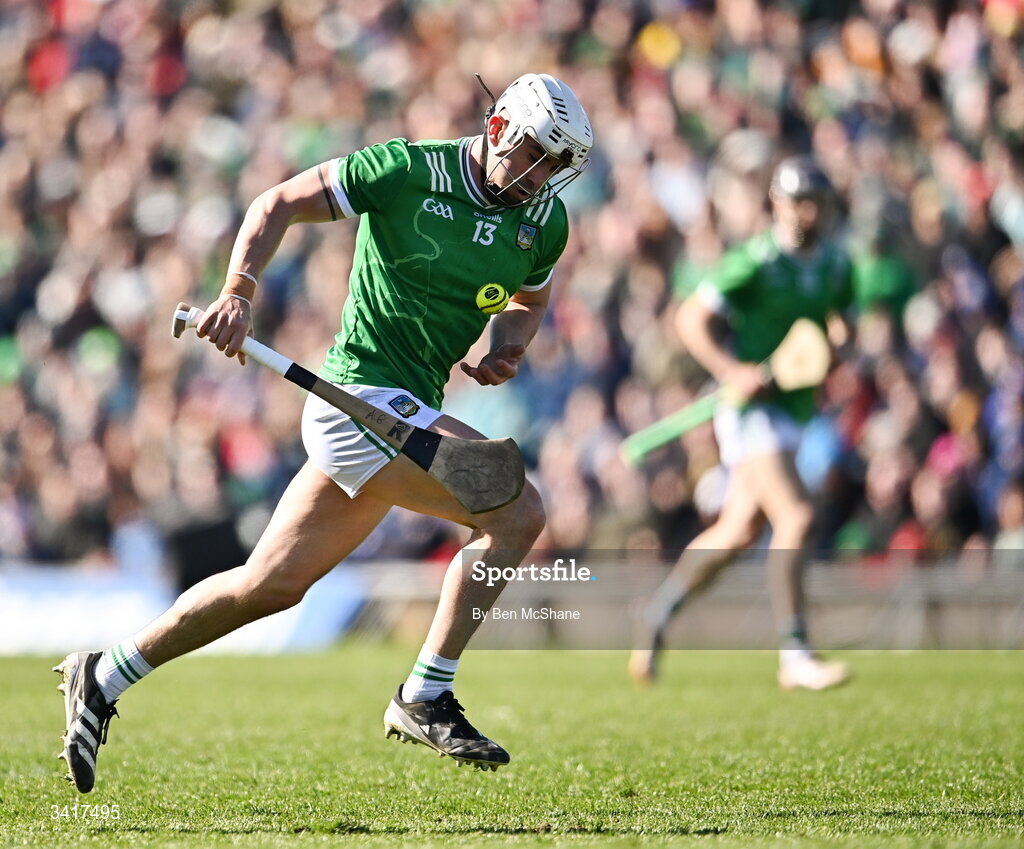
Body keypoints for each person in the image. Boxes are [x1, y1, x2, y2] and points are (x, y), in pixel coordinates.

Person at [53, 73, 593, 792]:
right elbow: (274, 203)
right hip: (356, 401)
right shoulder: (405, 169)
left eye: (558, 164)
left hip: (401, 416)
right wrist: (239, 292)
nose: (542, 176)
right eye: (535, 153)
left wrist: (512, 342)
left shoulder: (543, 221)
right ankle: (425, 692)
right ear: (497, 130)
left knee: (267, 586)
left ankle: (105, 671)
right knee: (518, 509)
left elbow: (532, 291)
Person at [628, 156, 852, 691]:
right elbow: (691, 321)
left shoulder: (837, 264)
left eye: (815, 203)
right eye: (797, 202)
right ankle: (795, 652)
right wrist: (733, 370)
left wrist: (838, 346)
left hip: (796, 408)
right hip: (750, 411)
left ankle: (656, 615)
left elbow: (841, 319)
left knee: (737, 532)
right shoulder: (755, 261)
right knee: (795, 517)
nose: (806, 213)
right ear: (776, 204)